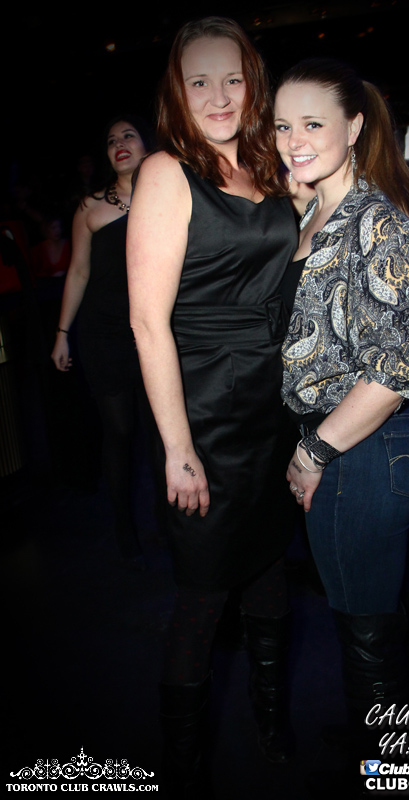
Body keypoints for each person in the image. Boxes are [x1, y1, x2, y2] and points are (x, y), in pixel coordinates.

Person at [126, 17, 298, 796]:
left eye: (232, 78)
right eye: (199, 81)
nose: (219, 95)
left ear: (252, 83)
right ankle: (184, 768)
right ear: (177, 91)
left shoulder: (267, 167)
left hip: (271, 407)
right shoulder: (168, 171)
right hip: (204, 416)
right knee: (202, 596)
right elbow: (146, 322)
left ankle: (270, 719)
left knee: (267, 571)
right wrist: (178, 450)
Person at [274, 58, 409, 791]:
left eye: (312, 123)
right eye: (282, 125)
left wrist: (313, 452)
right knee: (372, 610)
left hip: (363, 446)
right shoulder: (315, 212)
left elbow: (393, 370)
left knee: (365, 628)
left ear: (353, 127)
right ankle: (383, 735)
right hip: (348, 445)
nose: (293, 140)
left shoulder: (375, 219)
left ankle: (388, 770)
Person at [51, 115, 156, 567]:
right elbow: (78, 271)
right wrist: (62, 334)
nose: (120, 144)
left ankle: (173, 521)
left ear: (147, 143)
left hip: (154, 332)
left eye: (128, 135)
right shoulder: (90, 206)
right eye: (112, 140)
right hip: (104, 333)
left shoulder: (168, 197)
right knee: (120, 431)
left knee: (160, 431)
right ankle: (123, 527)